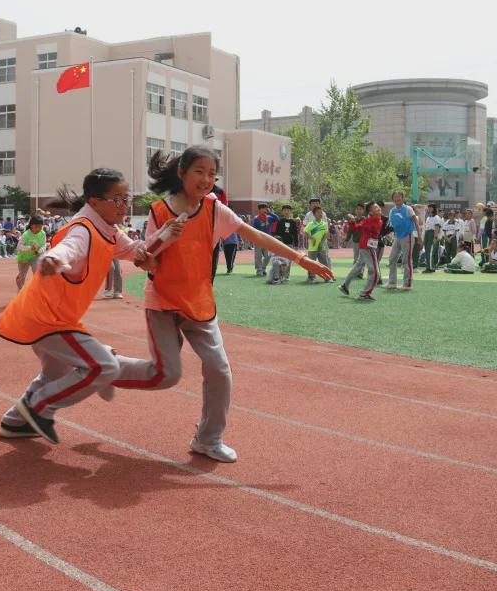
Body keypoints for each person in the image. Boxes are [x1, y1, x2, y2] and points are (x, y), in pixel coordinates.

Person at [111, 147, 332, 463]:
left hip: (200, 304)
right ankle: (107, 367)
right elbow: (146, 261)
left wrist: (300, 258)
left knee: (220, 370)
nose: (206, 180)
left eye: (212, 174)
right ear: (182, 173)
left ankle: (208, 438)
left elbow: (255, 235)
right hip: (163, 302)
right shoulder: (159, 212)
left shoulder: (215, 210)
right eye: (199, 172)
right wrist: (163, 238)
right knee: (166, 375)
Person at [0, 167, 177, 445]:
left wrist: (164, 236)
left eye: (126, 198)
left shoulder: (109, 232)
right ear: (94, 202)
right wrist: (53, 258)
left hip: (48, 317)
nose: (123, 205)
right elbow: (69, 248)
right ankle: (40, 407)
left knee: (55, 374)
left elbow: (135, 251)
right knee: (103, 367)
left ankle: (15, 422)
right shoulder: (84, 229)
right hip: (48, 319)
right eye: (117, 199)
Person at [339, 201, 383, 301]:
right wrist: (352, 220)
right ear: (370, 212)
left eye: (378, 207)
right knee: (375, 272)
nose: (378, 208)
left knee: (358, 266)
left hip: (365, 247)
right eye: (375, 208)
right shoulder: (369, 220)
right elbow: (355, 227)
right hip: (367, 247)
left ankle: (344, 285)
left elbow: (359, 227)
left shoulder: (376, 219)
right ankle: (364, 293)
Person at [385, 190, 419, 290]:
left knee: (406, 260)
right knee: (392, 259)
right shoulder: (392, 211)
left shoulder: (408, 209)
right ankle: (392, 283)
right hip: (397, 237)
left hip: (407, 236)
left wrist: (420, 237)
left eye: (399, 197)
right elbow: (391, 225)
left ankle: (407, 284)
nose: (397, 199)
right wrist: (389, 236)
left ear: (403, 198)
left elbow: (416, 222)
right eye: (395, 197)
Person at [14, 214, 46, 289]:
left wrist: (40, 251)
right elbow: (19, 247)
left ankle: (36, 289)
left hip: (35, 257)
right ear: (31, 225)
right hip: (23, 258)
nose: (39, 229)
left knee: (37, 272)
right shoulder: (26, 235)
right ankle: (20, 290)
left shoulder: (43, 233)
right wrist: (30, 248)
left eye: (40, 227)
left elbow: (44, 245)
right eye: (37, 226)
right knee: (22, 278)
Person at [272, 204, 300, 282]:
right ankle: (277, 275)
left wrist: (296, 245)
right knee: (279, 260)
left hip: (290, 244)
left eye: (288, 210)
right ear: (282, 212)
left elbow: (295, 234)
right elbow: (276, 232)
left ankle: (286, 275)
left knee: (289, 261)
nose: (287, 212)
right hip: (280, 244)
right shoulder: (279, 221)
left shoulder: (293, 222)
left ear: (290, 211)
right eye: (285, 210)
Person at [303, 206, 330, 283]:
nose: (320, 214)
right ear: (314, 214)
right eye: (318, 212)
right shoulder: (311, 224)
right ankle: (311, 278)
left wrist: (321, 242)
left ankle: (327, 277)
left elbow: (326, 234)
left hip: (322, 247)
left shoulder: (324, 224)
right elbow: (305, 232)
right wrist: (312, 238)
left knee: (324, 262)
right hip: (312, 247)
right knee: (311, 263)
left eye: (321, 212)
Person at [250, 203, 276, 277]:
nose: (265, 210)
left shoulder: (270, 217)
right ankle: (259, 270)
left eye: (266, 208)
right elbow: (254, 229)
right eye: (263, 208)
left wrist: (270, 212)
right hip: (258, 239)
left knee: (268, 255)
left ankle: (263, 268)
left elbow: (277, 219)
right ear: (259, 210)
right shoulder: (256, 218)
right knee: (258, 256)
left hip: (267, 239)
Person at [422, 204, 443, 272]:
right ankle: (429, 266)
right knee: (427, 251)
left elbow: (437, 228)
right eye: (429, 207)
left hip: (432, 233)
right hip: (427, 233)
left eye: (431, 208)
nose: (429, 209)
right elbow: (426, 228)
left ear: (434, 209)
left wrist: (435, 237)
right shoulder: (428, 217)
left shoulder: (436, 217)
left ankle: (430, 268)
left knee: (431, 251)